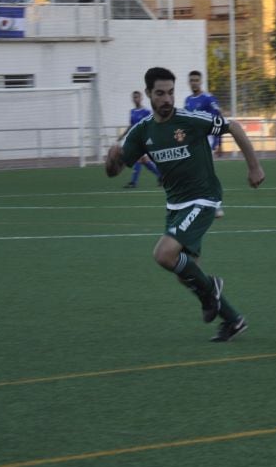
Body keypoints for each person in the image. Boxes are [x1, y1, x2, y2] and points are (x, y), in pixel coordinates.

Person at [105, 67, 265, 342]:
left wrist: (254, 167)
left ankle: (210, 290)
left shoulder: (190, 119)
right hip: (176, 205)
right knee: (185, 272)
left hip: (203, 198)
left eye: (170, 93)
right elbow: (114, 171)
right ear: (148, 95)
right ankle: (233, 320)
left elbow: (234, 127)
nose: (166, 99)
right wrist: (112, 158)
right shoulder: (142, 131)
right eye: (160, 93)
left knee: (164, 254)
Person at [122, 90, 163, 189]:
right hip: (136, 139)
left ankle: (133, 182)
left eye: (137, 97)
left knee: (138, 159)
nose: (136, 99)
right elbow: (131, 125)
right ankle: (161, 176)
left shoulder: (146, 111)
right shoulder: (132, 112)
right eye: (134, 97)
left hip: (145, 138)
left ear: (141, 98)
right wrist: (123, 135)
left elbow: (152, 124)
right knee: (144, 160)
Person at [184, 71, 223, 155]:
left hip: (207, 140)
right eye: (192, 80)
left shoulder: (208, 98)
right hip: (193, 141)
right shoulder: (188, 100)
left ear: (201, 82)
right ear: (189, 82)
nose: (194, 83)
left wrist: (219, 143)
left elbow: (218, 118)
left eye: (196, 80)